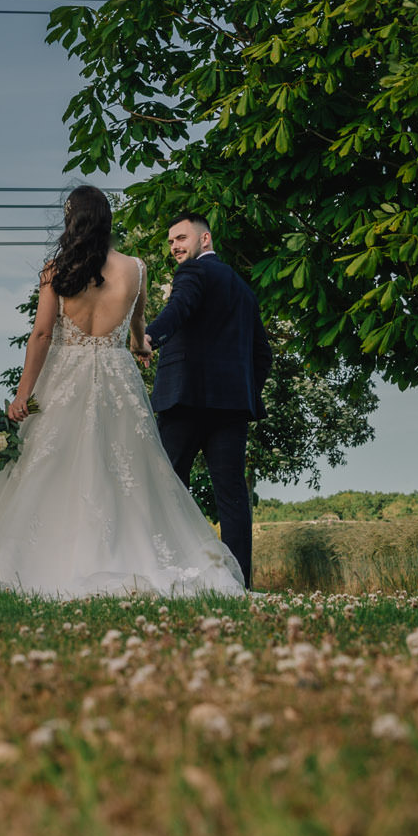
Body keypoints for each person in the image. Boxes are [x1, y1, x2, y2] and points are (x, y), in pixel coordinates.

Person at [0, 187, 246, 598]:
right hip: (116, 377)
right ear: (107, 220)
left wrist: (22, 395)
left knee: (52, 468)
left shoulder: (56, 270)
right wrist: (142, 348)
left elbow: (41, 334)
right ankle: (134, 559)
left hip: (64, 376)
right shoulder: (136, 269)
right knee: (128, 472)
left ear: (72, 221)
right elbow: (138, 333)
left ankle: (43, 565)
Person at [144, 211, 273, 588]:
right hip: (231, 408)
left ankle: (167, 575)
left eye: (180, 238)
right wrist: (242, 389)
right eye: (170, 242)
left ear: (205, 240)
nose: (174, 247)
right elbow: (262, 355)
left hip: (184, 400)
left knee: (167, 489)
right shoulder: (244, 290)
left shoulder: (192, 274)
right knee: (232, 496)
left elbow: (178, 308)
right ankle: (238, 582)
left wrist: (150, 336)